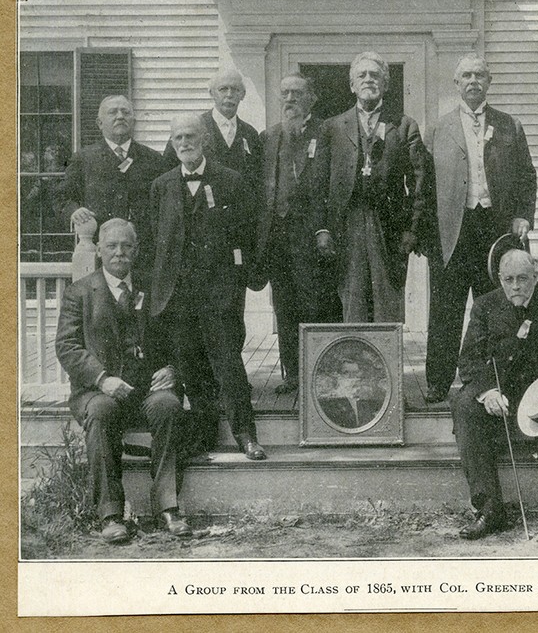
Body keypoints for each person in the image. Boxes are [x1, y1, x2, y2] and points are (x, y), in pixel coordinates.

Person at [55, 219, 190, 543]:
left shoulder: (153, 288)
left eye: (126, 246)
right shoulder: (80, 292)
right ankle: (111, 514)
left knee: (168, 406)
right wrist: (102, 379)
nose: (119, 253)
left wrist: (173, 369)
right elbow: (67, 346)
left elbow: (179, 338)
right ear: (99, 250)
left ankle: (168, 508)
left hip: (146, 390)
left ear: (136, 249)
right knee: (101, 413)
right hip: (98, 391)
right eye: (112, 246)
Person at [452, 249, 538, 540]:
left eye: (523, 279)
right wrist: (488, 392)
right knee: (465, 405)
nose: (515, 286)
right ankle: (489, 509)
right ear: (500, 279)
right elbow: (468, 361)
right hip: (501, 397)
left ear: (535, 277)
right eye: (509, 279)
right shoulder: (485, 306)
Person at [150, 113, 265, 461]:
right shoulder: (162, 186)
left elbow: (247, 232)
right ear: (172, 145)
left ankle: (246, 436)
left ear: (204, 141)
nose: (185, 143)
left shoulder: (231, 180)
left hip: (219, 293)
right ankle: (205, 436)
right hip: (179, 297)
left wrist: (236, 281)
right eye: (178, 139)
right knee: (191, 367)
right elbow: (158, 241)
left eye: (191, 137)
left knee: (228, 365)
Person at [424, 54, 537, 405]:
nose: (473, 81)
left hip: (495, 228)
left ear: (489, 82)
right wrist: (430, 236)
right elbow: (425, 188)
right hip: (453, 231)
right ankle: (438, 382)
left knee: (497, 307)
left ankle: (497, 378)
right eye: (466, 76)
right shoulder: (438, 129)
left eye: (479, 75)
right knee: (445, 309)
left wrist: (522, 215)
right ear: (456, 84)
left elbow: (526, 177)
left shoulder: (509, 126)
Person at [313, 51, 427, 323]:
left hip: (387, 226)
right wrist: (322, 228)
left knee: (386, 303)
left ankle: (386, 365)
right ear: (352, 85)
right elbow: (318, 185)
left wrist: (412, 228)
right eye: (361, 75)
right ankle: (354, 364)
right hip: (346, 225)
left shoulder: (403, 125)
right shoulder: (332, 127)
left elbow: (420, 182)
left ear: (385, 84)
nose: (368, 80)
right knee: (350, 301)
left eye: (375, 75)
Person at [251, 73, 340, 394]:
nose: (290, 99)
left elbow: (334, 186)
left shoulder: (327, 132)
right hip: (277, 239)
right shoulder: (269, 136)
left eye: (297, 93)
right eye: (285, 93)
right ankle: (293, 374)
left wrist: (324, 227)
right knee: (284, 307)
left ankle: (319, 372)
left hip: (313, 237)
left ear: (312, 98)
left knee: (315, 305)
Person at [54, 95, 167, 279]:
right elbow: (61, 197)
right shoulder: (84, 159)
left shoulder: (154, 160)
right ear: (100, 123)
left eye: (126, 112)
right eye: (113, 112)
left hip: (143, 257)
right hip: (100, 257)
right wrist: (74, 211)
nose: (120, 116)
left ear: (134, 121)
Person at [162, 68, 262, 184]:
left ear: (242, 95)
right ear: (211, 93)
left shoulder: (250, 133)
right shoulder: (190, 128)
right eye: (223, 89)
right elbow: (167, 175)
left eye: (235, 89)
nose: (229, 94)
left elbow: (257, 179)